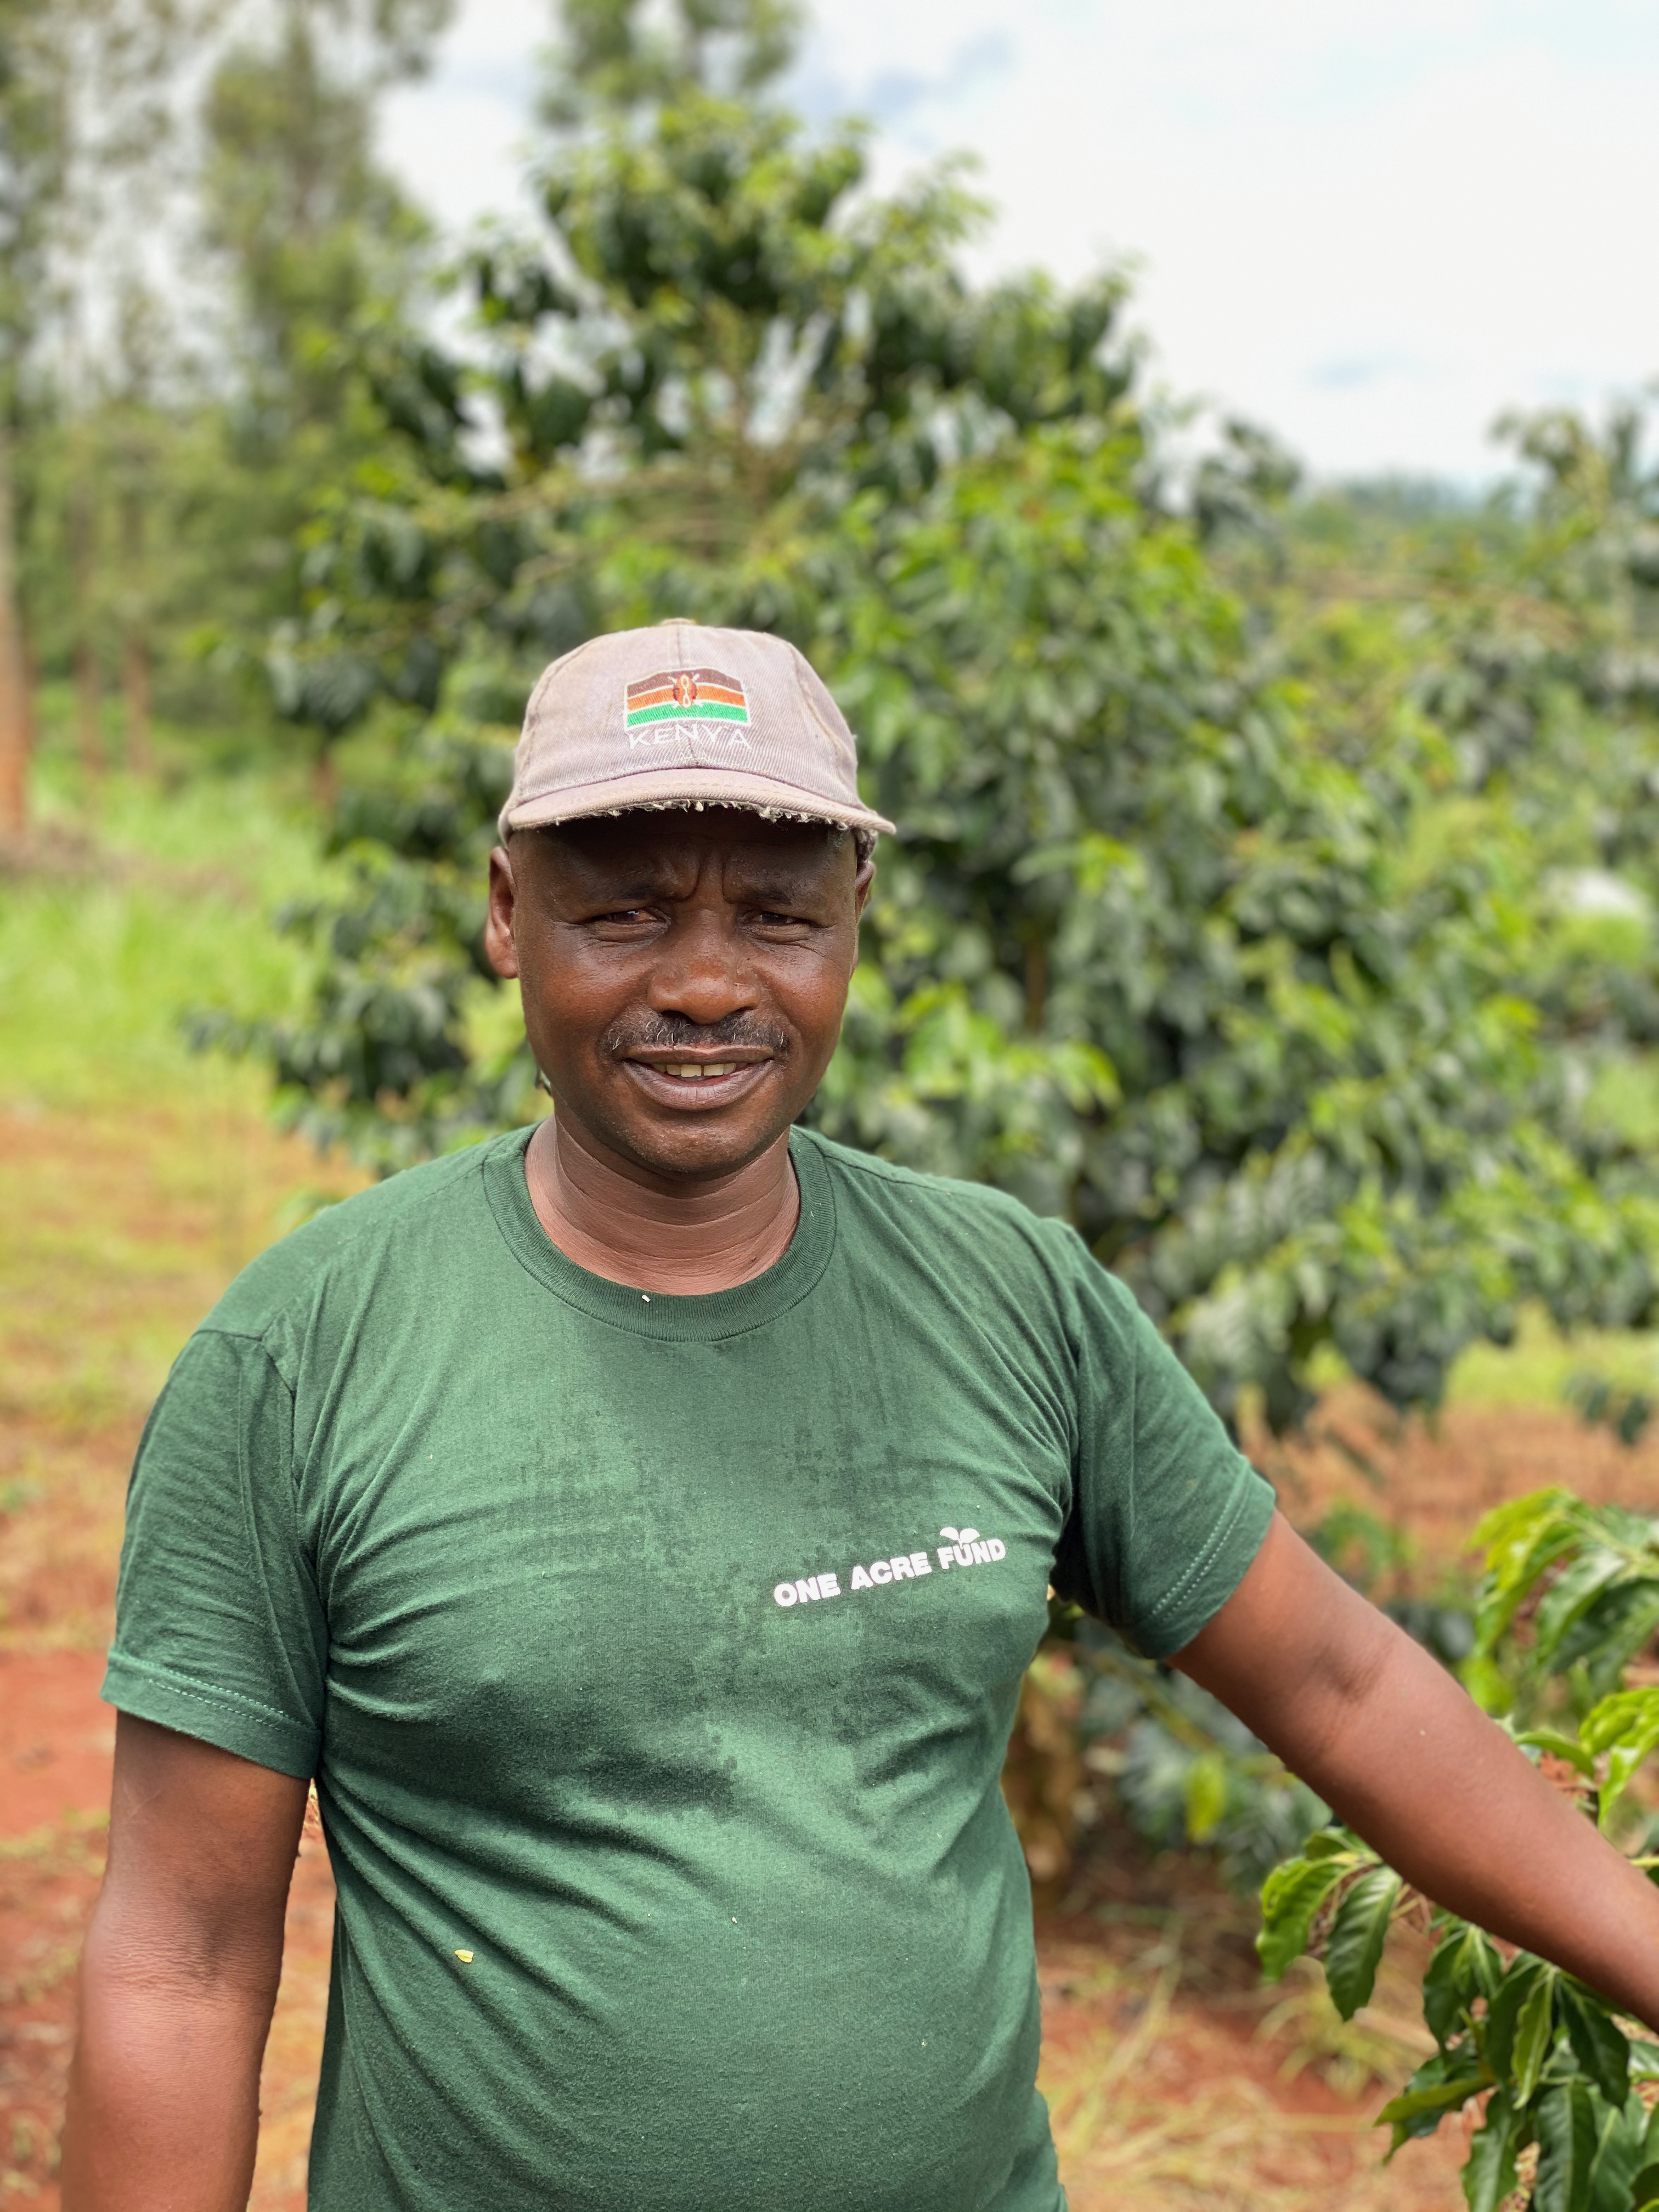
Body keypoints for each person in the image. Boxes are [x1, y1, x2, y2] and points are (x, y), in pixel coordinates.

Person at [61, 623, 1659, 2212]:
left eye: (775, 917)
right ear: (504, 915)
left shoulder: (1009, 1297)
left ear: (855, 924)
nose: (702, 984)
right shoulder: (308, 1357)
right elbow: (181, 1958)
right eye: (620, 914)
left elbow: (1344, 1681)